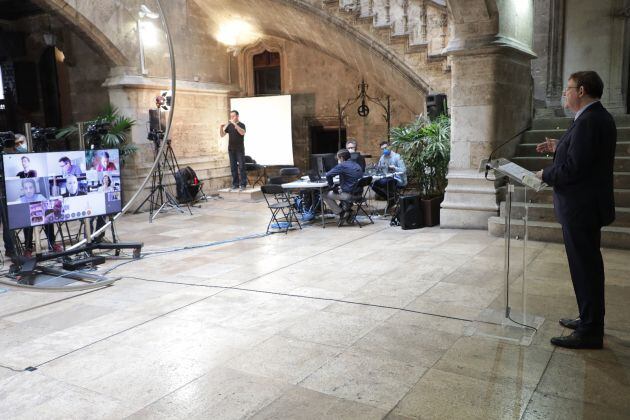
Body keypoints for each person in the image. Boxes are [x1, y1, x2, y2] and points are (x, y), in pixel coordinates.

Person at [535, 70, 616, 349]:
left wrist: (545, 174)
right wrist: (560, 145)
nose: (564, 94)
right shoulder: (593, 118)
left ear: (581, 91)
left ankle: (590, 330)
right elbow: (582, 156)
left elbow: (573, 170)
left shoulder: (589, 121)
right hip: (585, 206)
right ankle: (588, 319)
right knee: (587, 267)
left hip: (581, 208)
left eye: (568, 89)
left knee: (586, 268)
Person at [323, 148, 364, 223]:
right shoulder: (356, 164)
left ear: (341, 158)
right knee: (338, 190)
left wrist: (332, 186)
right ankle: (348, 210)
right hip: (359, 194)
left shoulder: (342, 165)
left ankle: (342, 213)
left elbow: (328, 175)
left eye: (338, 158)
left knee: (324, 194)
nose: (338, 160)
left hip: (349, 195)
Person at [219, 110, 247, 191]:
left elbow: (242, 133)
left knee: (241, 167)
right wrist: (221, 127)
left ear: (237, 116)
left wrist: (235, 124)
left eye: (233, 116)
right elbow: (222, 135)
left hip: (239, 149)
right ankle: (235, 184)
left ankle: (243, 184)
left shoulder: (242, 125)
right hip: (231, 149)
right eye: (231, 116)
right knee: (233, 167)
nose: (231, 118)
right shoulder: (229, 126)